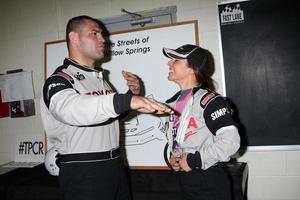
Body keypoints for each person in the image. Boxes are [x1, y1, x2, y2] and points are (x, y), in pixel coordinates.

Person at [40, 15, 172, 200]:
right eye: (94, 33)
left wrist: (128, 96)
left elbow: (104, 118)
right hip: (84, 171)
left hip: (115, 166)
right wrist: (124, 101)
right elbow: (70, 110)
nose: (103, 39)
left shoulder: (100, 81)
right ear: (74, 38)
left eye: (102, 34)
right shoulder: (59, 80)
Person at [162, 44, 240, 200]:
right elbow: (179, 139)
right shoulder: (171, 103)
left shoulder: (211, 101)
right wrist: (173, 157)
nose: (169, 63)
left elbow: (231, 142)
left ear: (193, 68)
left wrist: (195, 160)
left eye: (176, 60)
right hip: (186, 180)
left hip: (209, 180)